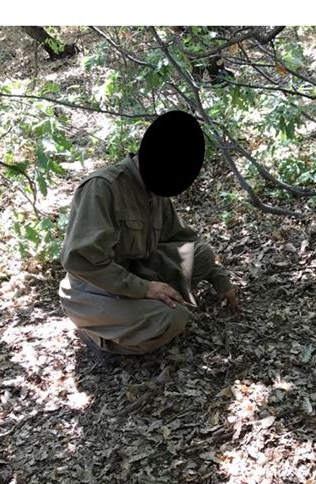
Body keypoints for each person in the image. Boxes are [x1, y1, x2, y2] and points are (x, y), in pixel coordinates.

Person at [58, 110, 241, 356]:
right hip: (93, 290)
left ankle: (141, 310)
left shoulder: (156, 187)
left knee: (203, 255)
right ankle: (98, 336)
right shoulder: (102, 189)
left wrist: (219, 279)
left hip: (135, 273)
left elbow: (184, 240)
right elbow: (81, 261)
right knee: (172, 318)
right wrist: (145, 288)